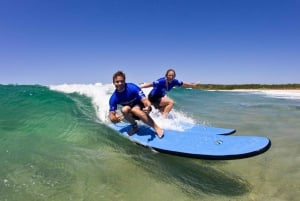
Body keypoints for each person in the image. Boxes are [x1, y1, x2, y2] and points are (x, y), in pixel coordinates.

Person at [109, 70, 164, 138]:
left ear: (124, 81)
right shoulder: (114, 98)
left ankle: (156, 127)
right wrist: (115, 119)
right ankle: (135, 126)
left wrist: (148, 107)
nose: (120, 83)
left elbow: (145, 100)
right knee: (124, 110)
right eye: (117, 82)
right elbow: (111, 115)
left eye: (122, 81)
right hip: (131, 112)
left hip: (142, 108)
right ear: (114, 83)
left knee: (135, 109)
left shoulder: (132, 88)